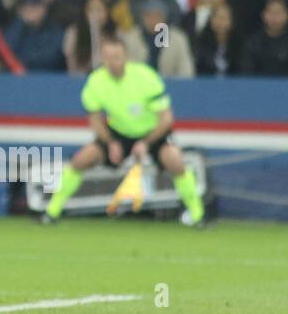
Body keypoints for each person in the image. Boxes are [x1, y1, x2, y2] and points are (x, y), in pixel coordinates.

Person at [43, 38, 206, 226]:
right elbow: (95, 120)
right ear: (102, 59)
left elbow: (166, 119)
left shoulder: (146, 77)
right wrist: (111, 142)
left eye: (117, 57)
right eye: (108, 58)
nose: (113, 62)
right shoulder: (96, 81)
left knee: (175, 160)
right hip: (118, 132)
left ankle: (198, 214)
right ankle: (52, 212)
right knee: (81, 159)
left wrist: (145, 142)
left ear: (126, 57)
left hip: (152, 132)